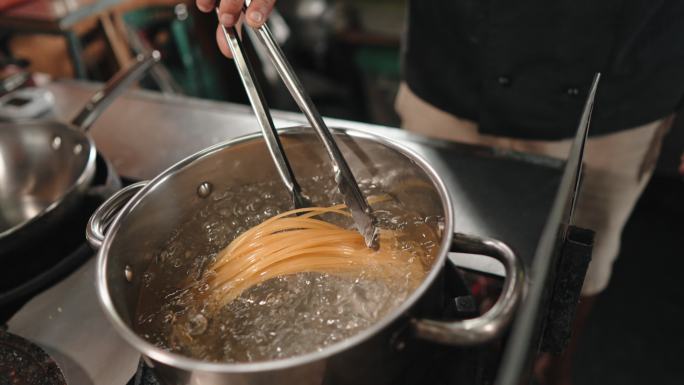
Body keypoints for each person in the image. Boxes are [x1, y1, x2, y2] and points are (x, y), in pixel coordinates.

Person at [196, 1, 684, 384]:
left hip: (613, 89)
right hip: (452, 66)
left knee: (582, 269)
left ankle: (554, 367)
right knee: (447, 246)